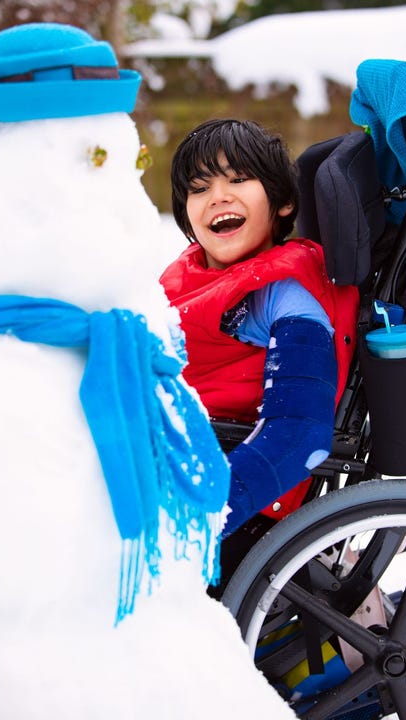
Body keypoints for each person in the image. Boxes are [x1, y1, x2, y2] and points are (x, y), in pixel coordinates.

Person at [160, 119, 359, 556]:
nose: (218, 196)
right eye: (198, 188)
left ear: (284, 202)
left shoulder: (285, 295)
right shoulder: (183, 281)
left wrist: (203, 514)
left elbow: (299, 431)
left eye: (238, 179)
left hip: (225, 493)